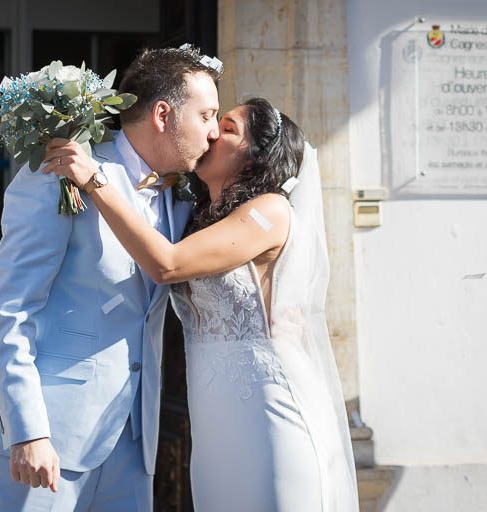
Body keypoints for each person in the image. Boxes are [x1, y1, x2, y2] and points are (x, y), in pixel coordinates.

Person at [43, 97, 360, 511]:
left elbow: (167, 265)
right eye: (211, 121)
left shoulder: (270, 211)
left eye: (226, 128)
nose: (210, 133)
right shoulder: (195, 215)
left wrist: (95, 180)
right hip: (214, 418)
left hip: (268, 409)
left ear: (256, 158)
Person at [0, 45, 221, 511]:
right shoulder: (62, 172)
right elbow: (11, 309)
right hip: (48, 443)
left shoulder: (182, 198)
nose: (214, 131)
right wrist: (28, 430)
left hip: (133, 443)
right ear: (163, 114)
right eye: (207, 115)